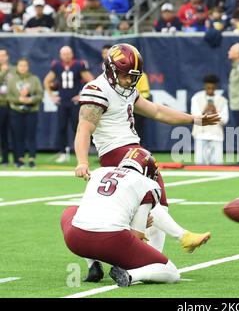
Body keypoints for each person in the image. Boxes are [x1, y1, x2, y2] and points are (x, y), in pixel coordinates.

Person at [74, 43, 218, 255]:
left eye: (134, 76)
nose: (130, 81)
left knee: (158, 202)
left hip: (133, 150)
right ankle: (182, 236)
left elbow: (157, 111)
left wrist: (194, 120)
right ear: (111, 70)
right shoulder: (98, 90)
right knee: (146, 196)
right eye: (125, 76)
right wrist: (82, 161)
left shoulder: (127, 90)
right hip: (117, 153)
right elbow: (83, 130)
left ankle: (153, 256)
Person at [61, 148, 181, 286]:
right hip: (112, 241)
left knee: (70, 211)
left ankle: (92, 264)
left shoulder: (99, 172)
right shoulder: (149, 185)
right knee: (172, 273)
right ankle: (129, 275)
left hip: (76, 240)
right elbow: (136, 236)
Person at [43, 46, 94, 163]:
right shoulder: (56, 66)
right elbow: (46, 81)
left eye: (68, 53)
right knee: (61, 128)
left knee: (78, 128)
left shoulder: (78, 65)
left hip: (74, 102)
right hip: (62, 101)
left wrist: (82, 94)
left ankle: (81, 154)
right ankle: (62, 152)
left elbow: (91, 80)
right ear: (60, 55)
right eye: (64, 54)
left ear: (72, 54)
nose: (66, 56)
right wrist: (51, 95)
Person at [7, 58, 43, 168]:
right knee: (18, 136)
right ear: (17, 67)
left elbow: (40, 95)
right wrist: (19, 99)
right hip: (16, 111)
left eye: (25, 65)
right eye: (20, 65)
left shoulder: (34, 79)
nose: (23, 68)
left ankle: (32, 158)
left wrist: (30, 100)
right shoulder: (12, 80)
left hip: (31, 111)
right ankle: (20, 159)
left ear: (28, 67)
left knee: (31, 135)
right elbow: (8, 96)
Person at [191, 74, 229, 165]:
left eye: (212, 88)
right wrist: (204, 110)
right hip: (200, 135)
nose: (210, 90)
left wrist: (215, 112)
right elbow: (194, 117)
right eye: (208, 88)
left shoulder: (222, 100)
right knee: (199, 164)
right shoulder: (196, 98)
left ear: (215, 87)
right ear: (204, 86)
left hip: (216, 136)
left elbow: (225, 120)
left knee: (218, 164)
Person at [0, 48, 13, 166]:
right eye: (0, 56)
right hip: (1, 104)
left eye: (4, 55)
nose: (2, 58)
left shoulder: (13, 69)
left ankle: (15, 158)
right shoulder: (3, 70)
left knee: (12, 132)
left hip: (13, 104)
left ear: (7, 57)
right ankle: (3, 158)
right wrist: (3, 72)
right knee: (1, 132)